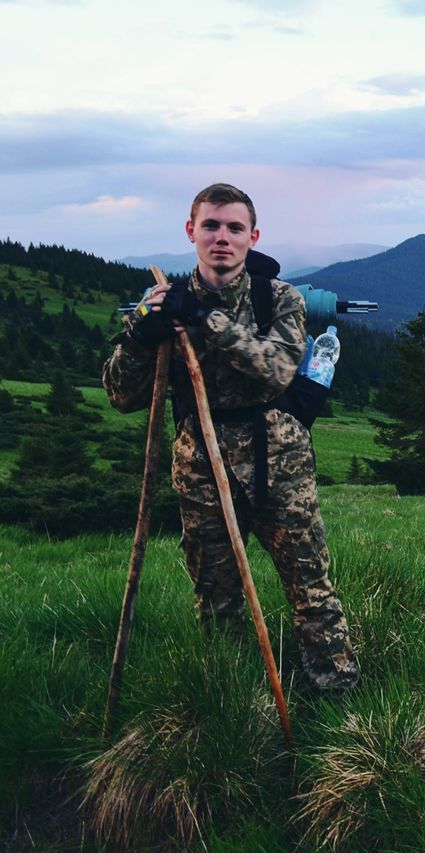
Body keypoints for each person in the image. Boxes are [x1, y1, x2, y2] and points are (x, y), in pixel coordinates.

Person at [103, 182, 359, 693]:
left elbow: (278, 370)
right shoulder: (159, 305)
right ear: (191, 231)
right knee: (215, 595)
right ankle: (233, 700)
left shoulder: (278, 299)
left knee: (309, 585)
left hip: (280, 464)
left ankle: (339, 696)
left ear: (252, 236)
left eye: (234, 228)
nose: (222, 237)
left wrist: (205, 319)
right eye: (212, 226)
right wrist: (140, 335)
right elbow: (120, 395)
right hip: (200, 465)